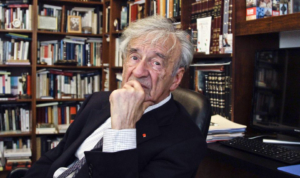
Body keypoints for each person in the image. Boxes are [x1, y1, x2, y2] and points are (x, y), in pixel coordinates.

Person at [25, 16, 207, 178]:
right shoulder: (99, 100)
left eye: (156, 62)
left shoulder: (186, 142)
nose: (139, 71)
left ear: (176, 78)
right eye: (134, 57)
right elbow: (55, 157)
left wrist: (123, 129)